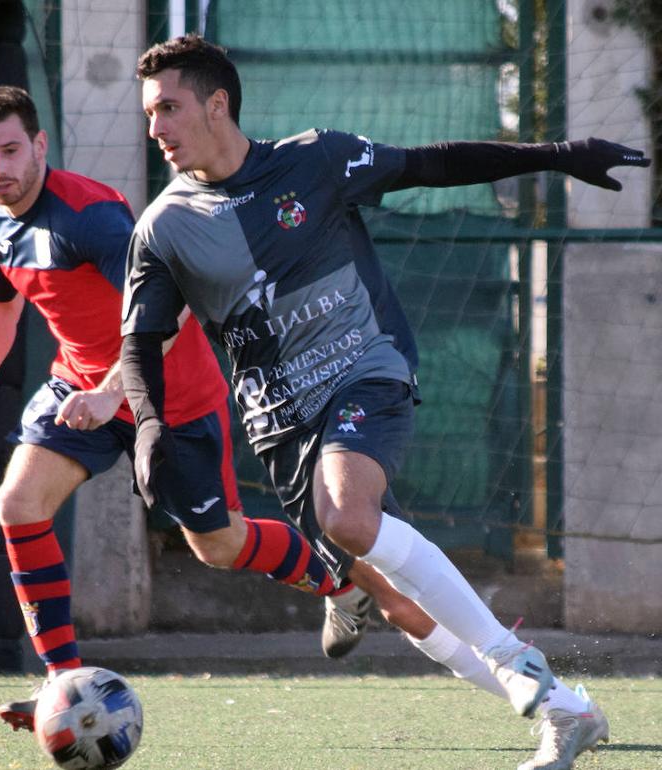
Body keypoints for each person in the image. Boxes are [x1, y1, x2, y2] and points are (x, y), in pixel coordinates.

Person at [121, 34, 647, 770]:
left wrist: (557, 154)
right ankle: (567, 711)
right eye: (149, 114)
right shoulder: (162, 229)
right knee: (404, 606)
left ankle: (512, 655)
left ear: (218, 103)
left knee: (348, 516)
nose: (157, 129)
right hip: (281, 427)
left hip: (367, 370)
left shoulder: (316, 159)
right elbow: (140, 343)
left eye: (168, 108)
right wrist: (148, 424)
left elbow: (435, 164)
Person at [0, 85, 443, 733]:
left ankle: (341, 587)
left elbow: (170, 309)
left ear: (40, 145)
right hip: (78, 383)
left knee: (219, 545)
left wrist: (111, 393)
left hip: (169, 392)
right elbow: (3, 302)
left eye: (11, 151)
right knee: (17, 504)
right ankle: (62, 682)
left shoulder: (92, 219)